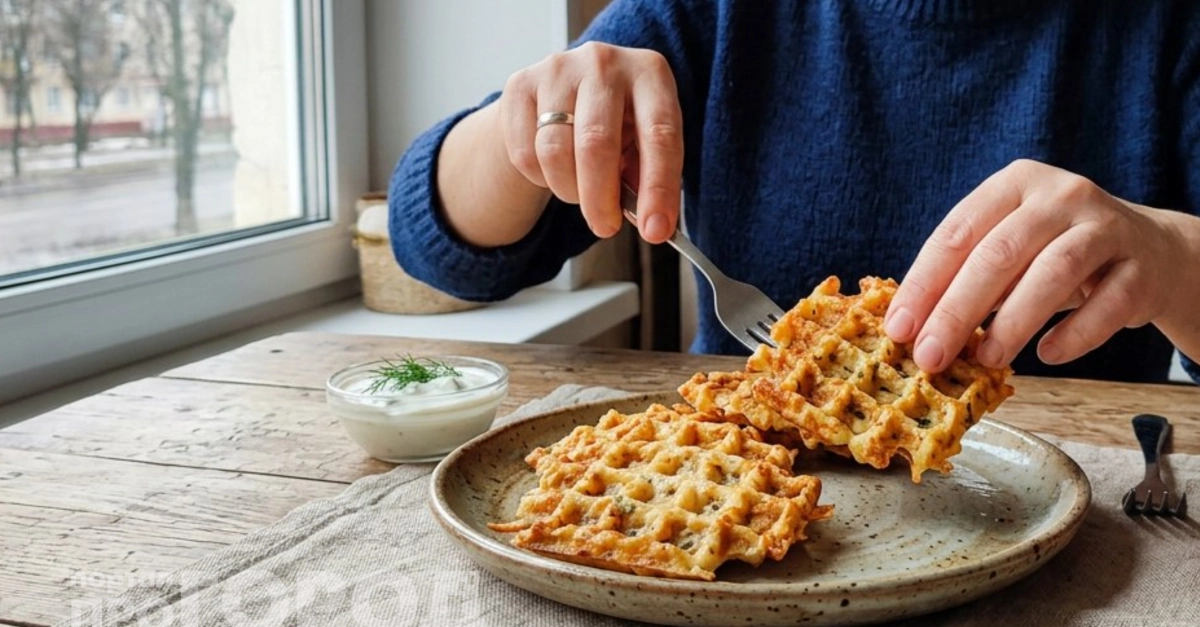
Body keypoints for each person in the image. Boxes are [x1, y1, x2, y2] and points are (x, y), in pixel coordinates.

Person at [388, 0, 1200, 384]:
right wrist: (520, 126)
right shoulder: (711, 11)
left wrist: (1169, 255)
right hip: (747, 535)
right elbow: (446, 254)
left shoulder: (1170, 28)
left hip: (1070, 543)